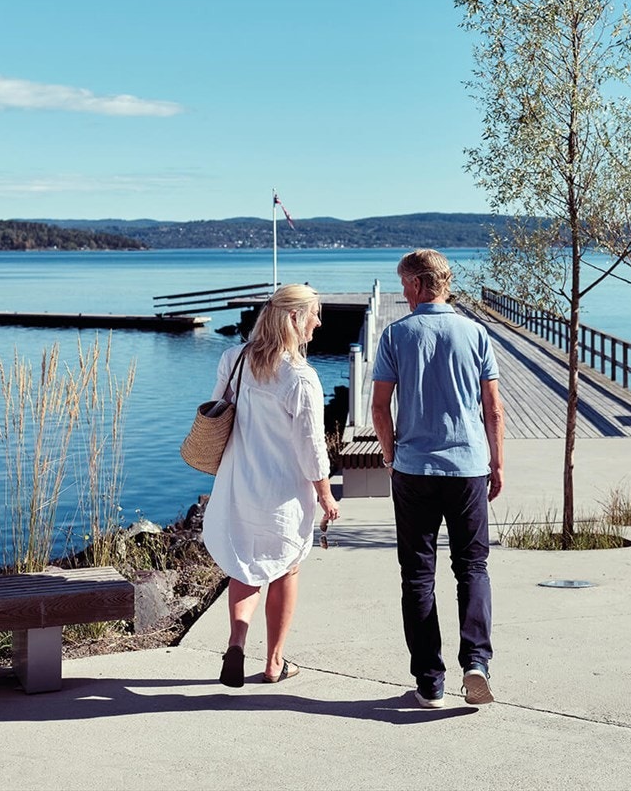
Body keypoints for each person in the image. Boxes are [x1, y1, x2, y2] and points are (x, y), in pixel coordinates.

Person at [371, 249, 504, 709]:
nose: (400, 290)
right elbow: (494, 409)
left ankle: (430, 682)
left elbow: (378, 407)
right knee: (472, 567)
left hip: (414, 470)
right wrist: (498, 463)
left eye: (401, 283)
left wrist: (391, 456)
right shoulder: (475, 333)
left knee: (417, 577)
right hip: (468, 467)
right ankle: (477, 663)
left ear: (415, 284)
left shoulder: (396, 335)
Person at [202, 283, 339, 687]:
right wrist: (326, 493)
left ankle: (236, 643)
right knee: (286, 568)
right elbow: (311, 446)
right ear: (295, 318)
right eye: (314, 313)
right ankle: (275, 662)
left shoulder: (235, 358)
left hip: (239, 481)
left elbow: (216, 411)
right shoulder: (300, 377)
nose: (319, 321)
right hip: (282, 491)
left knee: (244, 563)